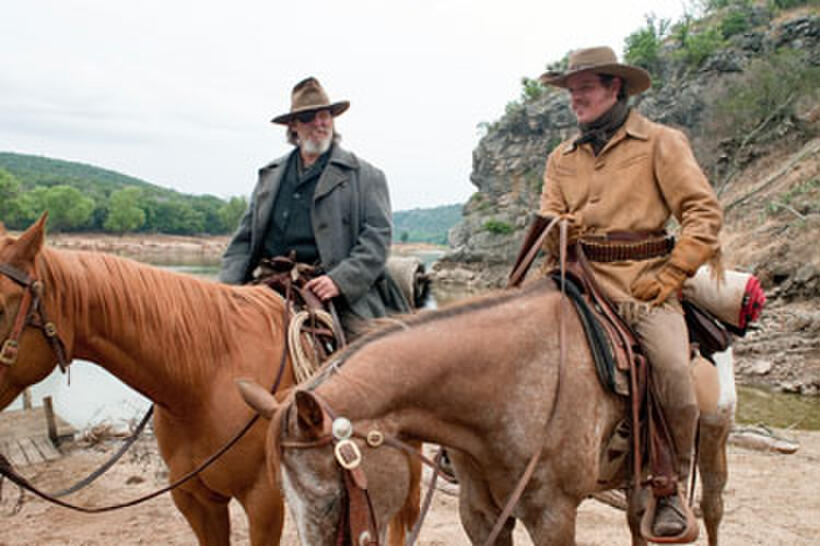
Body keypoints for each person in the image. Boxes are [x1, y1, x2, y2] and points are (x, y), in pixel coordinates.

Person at [538, 46, 723, 538]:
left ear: (614, 87)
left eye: (585, 89)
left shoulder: (662, 143)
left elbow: (703, 216)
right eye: (571, 91)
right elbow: (546, 218)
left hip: (645, 288)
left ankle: (669, 488)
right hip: (575, 283)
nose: (575, 99)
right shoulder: (561, 158)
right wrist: (559, 228)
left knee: (674, 378)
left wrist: (672, 274)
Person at [220, 77, 408, 335]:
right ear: (294, 127)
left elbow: (377, 239)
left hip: (333, 291)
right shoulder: (270, 175)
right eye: (309, 118)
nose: (319, 124)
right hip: (267, 283)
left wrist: (339, 281)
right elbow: (243, 241)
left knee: (362, 359)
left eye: (324, 116)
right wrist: (226, 290)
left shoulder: (365, 175)